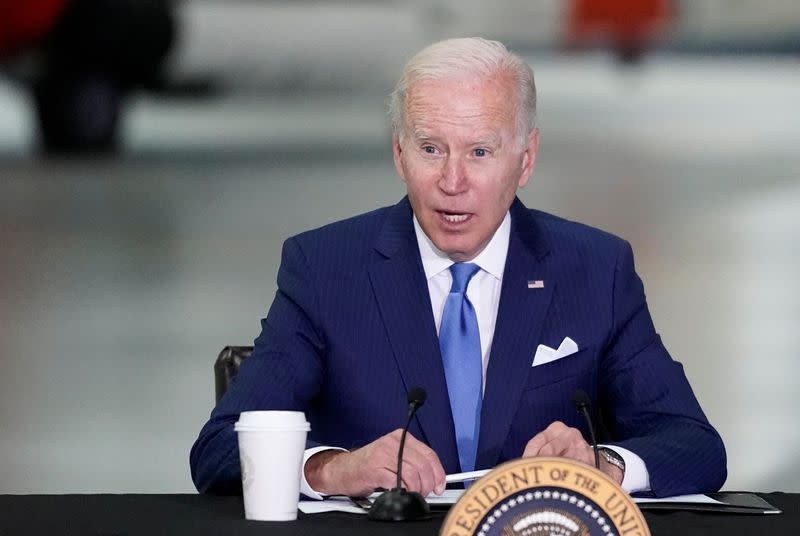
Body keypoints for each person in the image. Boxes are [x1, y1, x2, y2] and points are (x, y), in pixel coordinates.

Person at [190, 37, 726, 499]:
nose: (452, 181)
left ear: (526, 158)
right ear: (399, 155)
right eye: (430, 149)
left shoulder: (596, 269)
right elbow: (219, 448)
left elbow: (694, 445)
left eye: (480, 153)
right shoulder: (324, 268)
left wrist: (599, 467)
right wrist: (333, 468)